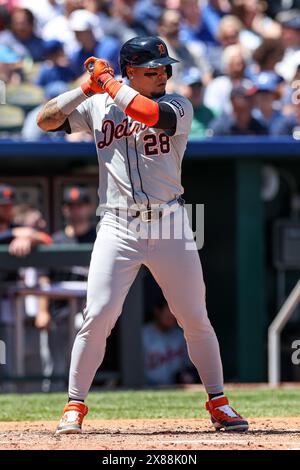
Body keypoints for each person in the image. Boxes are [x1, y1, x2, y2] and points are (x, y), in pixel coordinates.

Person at [37, 35, 248, 434]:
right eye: (154, 69)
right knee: (97, 316)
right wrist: (87, 87)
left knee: (194, 318)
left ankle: (219, 402)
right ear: (132, 70)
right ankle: (74, 405)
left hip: (169, 219)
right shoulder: (98, 104)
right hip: (117, 224)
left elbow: (148, 114)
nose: (164, 75)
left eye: (166, 68)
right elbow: (45, 120)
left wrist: (109, 83)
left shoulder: (176, 104)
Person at [35, 186, 96, 391]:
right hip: (58, 312)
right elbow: (44, 277)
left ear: (88, 208)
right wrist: (42, 311)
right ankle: (50, 403)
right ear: (65, 209)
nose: (76, 210)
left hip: (87, 312)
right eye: (71, 206)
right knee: (54, 366)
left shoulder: (99, 238)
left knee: (84, 362)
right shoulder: (56, 240)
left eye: (80, 206)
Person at [143, 297, 197, 386]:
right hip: (149, 387)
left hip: (175, 387)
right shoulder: (143, 335)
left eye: (174, 313)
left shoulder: (180, 335)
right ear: (157, 311)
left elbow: (188, 365)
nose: (172, 316)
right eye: (168, 312)